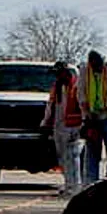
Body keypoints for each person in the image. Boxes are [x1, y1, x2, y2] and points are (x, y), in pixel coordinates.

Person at [41, 61, 84, 196]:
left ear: (65, 72)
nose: (57, 76)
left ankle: (76, 186)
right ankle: (68, 185)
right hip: (59, 127)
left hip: (74, 126)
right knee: (62, 158)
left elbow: (83, 106)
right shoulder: (57, 87)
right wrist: (45, 122)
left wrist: (84, 124)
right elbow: (50, 105)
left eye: (58, 73)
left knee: (73, 157)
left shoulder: (76, 86)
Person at [78, 50, 107, 183]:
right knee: (92, 153)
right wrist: (87, 117)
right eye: (94, 66)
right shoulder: (84, 71)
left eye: (99, 66)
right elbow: (81, 94)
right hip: (91, 117)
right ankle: (90, 184)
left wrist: (103, 111)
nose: (97, 68)